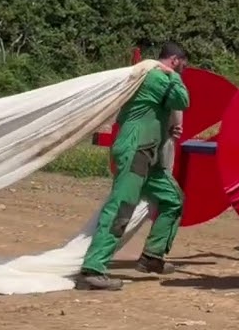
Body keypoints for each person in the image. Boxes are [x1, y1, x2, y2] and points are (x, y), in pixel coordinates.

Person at [76, 42, 190, 291]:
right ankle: (92, 270)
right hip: (135, 150)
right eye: (183, 65)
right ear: (174, 60)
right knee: (121, 208)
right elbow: (182, 100)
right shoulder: (157, 76)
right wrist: (175, 78)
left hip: (148, 154)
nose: (184, 70)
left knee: (173, 199)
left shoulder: (152, 75)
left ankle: (152, 257)